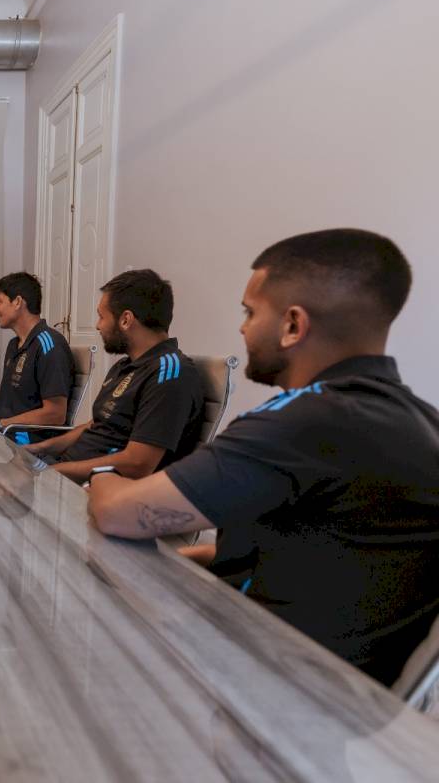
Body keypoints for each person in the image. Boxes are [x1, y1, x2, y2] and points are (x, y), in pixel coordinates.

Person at [86, 229, 439, 686]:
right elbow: (297, 549)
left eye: (251, 312)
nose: (242, 327)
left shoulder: (306, 422)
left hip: (269, 686)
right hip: (343, 695)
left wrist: (102, 475)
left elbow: (117, 513)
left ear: (293, 325)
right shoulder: (416, 419)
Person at [25, 269, 205, 483]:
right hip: (65, 472)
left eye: (102, 316)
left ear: (126, 320)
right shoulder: (124, 366)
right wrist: (39, 448)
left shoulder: (171, 374)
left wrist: (53, 472)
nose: (97, 325)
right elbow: (97, 425)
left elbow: (137, 464)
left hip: (95, 488)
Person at [0, 272, 75, 430]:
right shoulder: (13, 345)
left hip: (26, 441)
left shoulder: (50, 345)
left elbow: (56, 414)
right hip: (4, 434)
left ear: (17, 302)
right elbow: (17, 405)